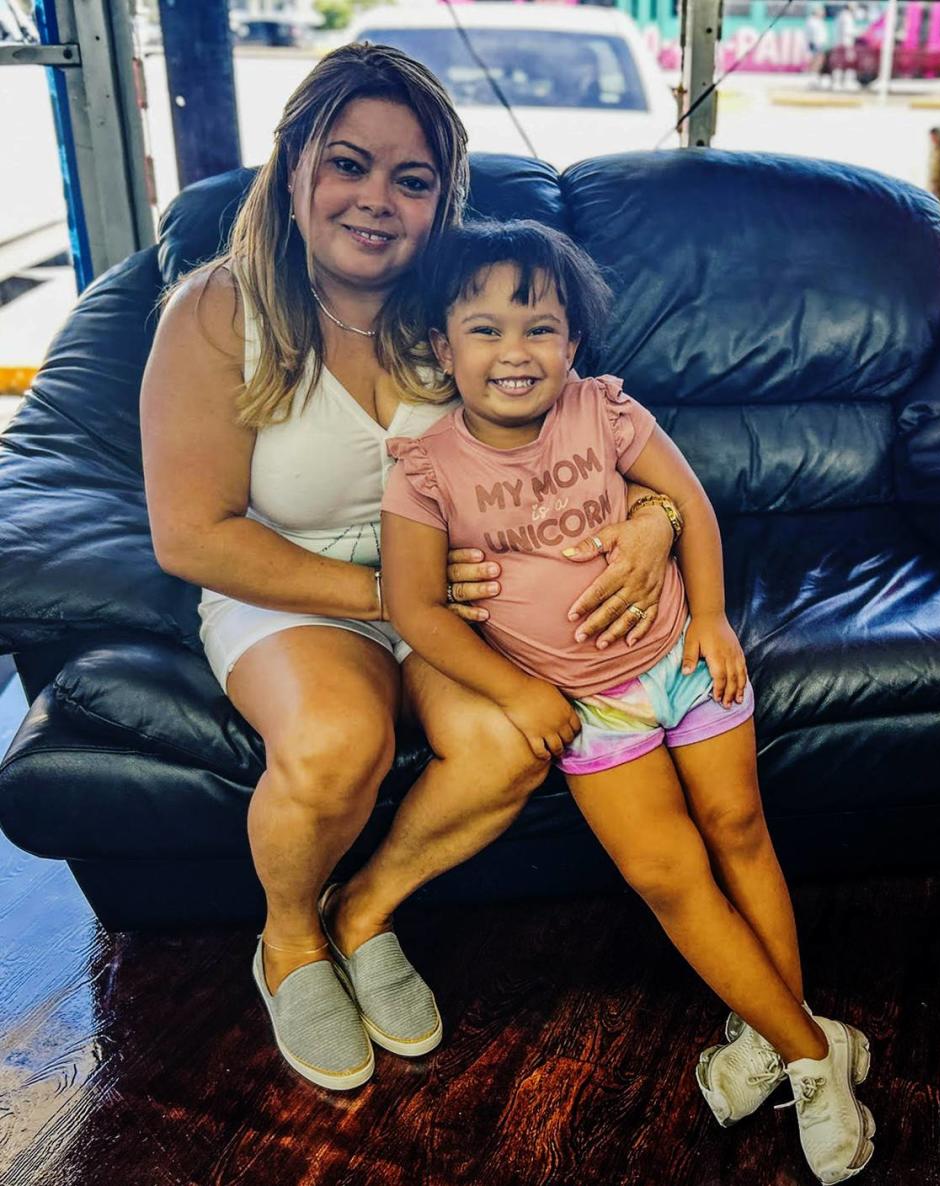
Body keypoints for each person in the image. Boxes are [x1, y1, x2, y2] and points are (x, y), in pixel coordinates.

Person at [141, 44, 677, 1091]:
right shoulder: (217, 310)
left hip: (465, 588)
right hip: (290, 587)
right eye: (348, 164)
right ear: (294, 170)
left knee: (515, 734)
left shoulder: (470, 307)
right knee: (340, 736)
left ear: (445, 198)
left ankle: (365, 908)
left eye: (412, 178)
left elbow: (607, 434)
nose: (375, 199)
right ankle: (290, 938)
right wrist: (388, 597)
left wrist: (656, 516)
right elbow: (193, 535)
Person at [381, 220, 875, 1184]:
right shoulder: (427, 468)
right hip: (589, 706)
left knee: (739, 831)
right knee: (668, 877)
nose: (515, 353)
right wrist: (516, 689)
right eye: (484, 330)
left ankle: (782, 1042)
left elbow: (686, 501)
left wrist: (716, 622)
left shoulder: (604, 411)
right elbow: (411, 605)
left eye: (540, 328)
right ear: (443, 349)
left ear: (572, 342)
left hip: (682, 664)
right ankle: (819, 1048)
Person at [805, 4, 829, 87]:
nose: (823, 13)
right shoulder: (812, 21)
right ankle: (813, 79)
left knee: (819, 62)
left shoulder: (819, 21)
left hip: (819, 44)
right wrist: (813, 44)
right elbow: (811, 35)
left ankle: (815, 79)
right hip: (815, 44)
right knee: (816, 62)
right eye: (821, 11)